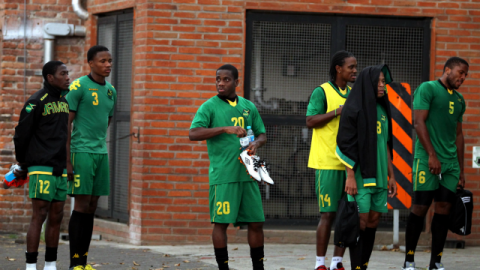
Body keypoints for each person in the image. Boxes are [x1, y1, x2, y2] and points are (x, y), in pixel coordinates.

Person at [189, 64, 267, 270]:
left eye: (226, 79)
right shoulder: (209, 107)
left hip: (249, 173)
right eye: (218, 79)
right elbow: (193, 133)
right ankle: (223, 267)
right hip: (224, 175)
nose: (220, 83)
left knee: (256, 222)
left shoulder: (248, 106)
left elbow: (262, 134)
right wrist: (224, 129)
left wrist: (256, 143)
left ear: (236, 82)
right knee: (221, 224)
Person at [402, 57, 468, 270]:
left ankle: (435, 262)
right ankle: (409, 260)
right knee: (420, 208)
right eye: (460, 72)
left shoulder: (459, 100)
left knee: (443, 210)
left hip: (450, 165)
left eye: (466, 74)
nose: (463, 77)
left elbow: (458, 135)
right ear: (447, 69)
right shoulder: (428, 88)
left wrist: (461, 170)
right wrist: (432, 155)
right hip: (427, 160)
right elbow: (418, 121)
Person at [336, 64, 397, 270]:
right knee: (359, 222)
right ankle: (355, 267)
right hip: (361, 176)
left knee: (373, 221)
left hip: (380, 176)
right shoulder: (354, 108)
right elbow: (345, 143)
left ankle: (363, 266)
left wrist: (392, 175)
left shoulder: (381, 109)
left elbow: (386, 145)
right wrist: (350, 176)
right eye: (379, 81)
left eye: (383, 82)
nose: (383, 85)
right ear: (368, 83)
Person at [14, 61, 71, 270]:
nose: (68, 77)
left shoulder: (64, 101)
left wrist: (67, 164)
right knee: (40, 215)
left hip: (60, 169)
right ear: (50, 77)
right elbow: (21, 134)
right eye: (63, 73)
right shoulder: (36, 101)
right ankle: (30, 266)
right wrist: (23, 163)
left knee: (57, 216)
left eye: (67, 73)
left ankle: (50, 264)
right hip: (41, 167)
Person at [66, 45, 117, 270]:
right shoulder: (78, 87)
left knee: (93, 205)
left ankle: (84, 261)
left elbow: (106, 121)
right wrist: (67, 160)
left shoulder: (111, 91)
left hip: (100, 153)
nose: (108, 65)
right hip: (81, 152)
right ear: (91, 63)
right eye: (103, 61)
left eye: (110, 61)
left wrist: (98, 142)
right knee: (82, 204)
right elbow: (65, 123)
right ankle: (74, 263)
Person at [306, 50, 357, 270]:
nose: (355, 71)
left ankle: (337, 262)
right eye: (351, 67)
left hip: (349, 165)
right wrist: (338, 111)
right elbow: (310, 120)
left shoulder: (354, 93)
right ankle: (320, 263)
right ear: (338, 69)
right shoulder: (322, 91)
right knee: (328, 214)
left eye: (355, 67)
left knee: (347, 215)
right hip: (326, 162)